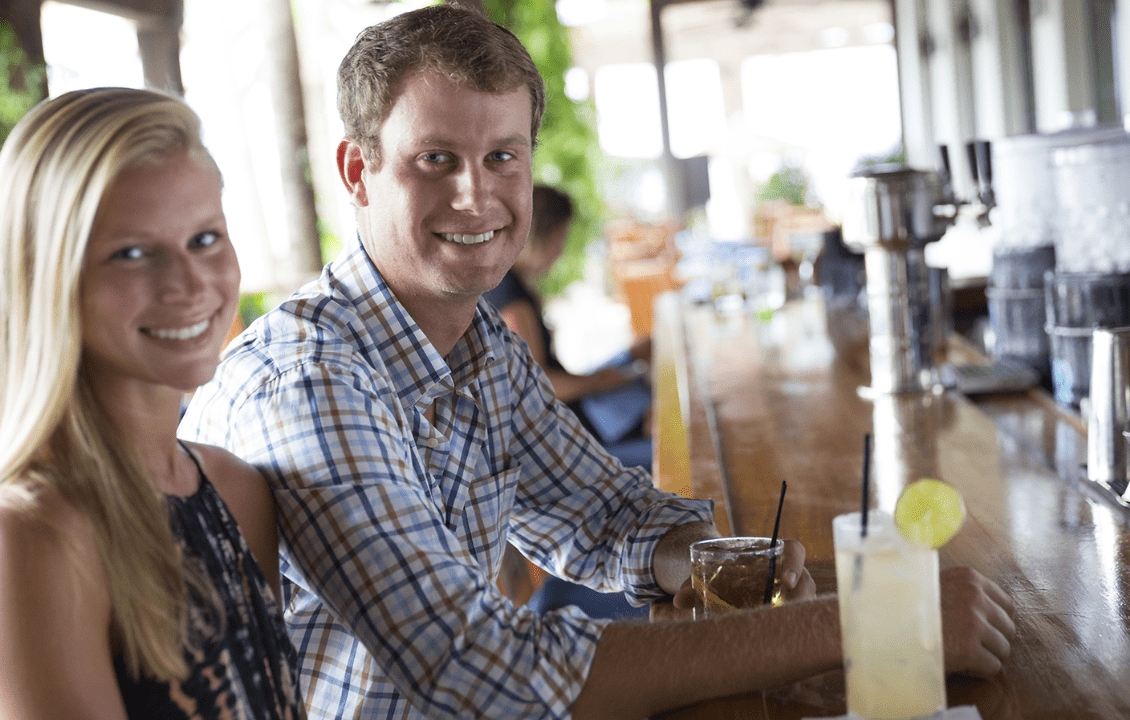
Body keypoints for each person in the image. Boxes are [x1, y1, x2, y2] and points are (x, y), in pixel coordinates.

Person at [180, 6, 1015, 720]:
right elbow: (476, 669)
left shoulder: (478, 344)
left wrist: (720, 562)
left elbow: (604, 514)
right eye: (437, 159)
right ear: (358, 171)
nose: (477, 195)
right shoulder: (310, 378)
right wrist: (869, 618)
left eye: (502, 156)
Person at [0, 88, 306, 720]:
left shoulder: (236, 489)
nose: (189, 283)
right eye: (132, 253)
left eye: (206, 238)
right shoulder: (27, 538)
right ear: (49, 276)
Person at [484, 184, 653, 470]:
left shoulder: (513, 283)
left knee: (641, 354)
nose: (560, 250)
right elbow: (536, 389)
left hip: (567, 415)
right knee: (677, 450)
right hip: (560, 437)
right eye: (560, 238)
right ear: (539, 234)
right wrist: (600, 381)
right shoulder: (509, 297)